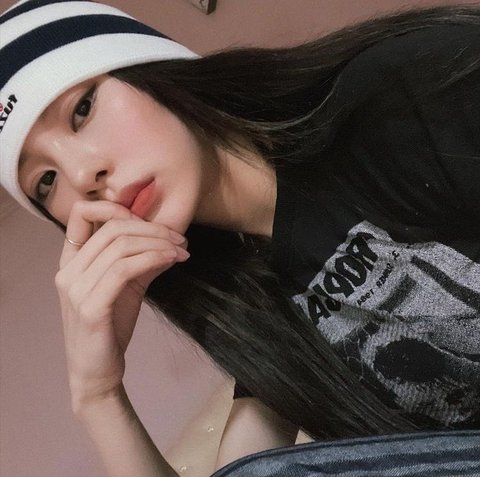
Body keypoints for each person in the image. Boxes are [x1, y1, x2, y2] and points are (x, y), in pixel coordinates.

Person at [1, 0, 479, 475]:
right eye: (46, 181)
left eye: (82, 109)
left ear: (147, 67)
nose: (82, 174)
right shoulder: (247, 305)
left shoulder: (413, 90)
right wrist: (98, 397)